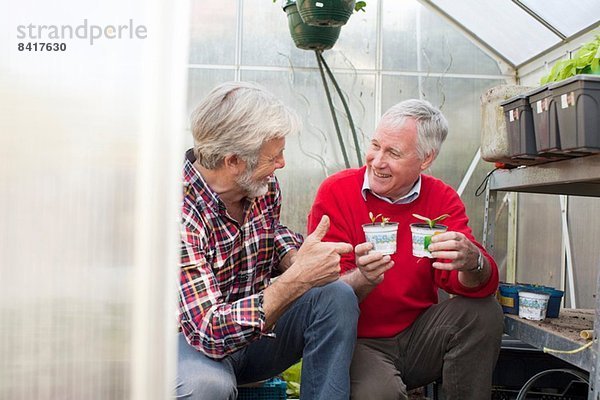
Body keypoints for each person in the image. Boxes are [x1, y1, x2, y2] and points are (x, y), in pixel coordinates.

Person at [307, 99, 504, 400]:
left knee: (483, 312)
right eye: (375, 145)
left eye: (393, 153)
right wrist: (363, 277)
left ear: (426, 159)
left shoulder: (441, 199)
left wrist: (472, 261)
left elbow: (471, 284)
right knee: (379, 393)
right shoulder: (337, 192)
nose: (376, 161)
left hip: (418, 336)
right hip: (358, 341)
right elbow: (322, 293)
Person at [176, 81, 359, 400]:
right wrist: (297, 278)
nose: (282, 164)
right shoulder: (178, 210)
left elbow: (268, 234)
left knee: (336, 296)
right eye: (273, 156)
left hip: (254, 337)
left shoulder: (262, 186)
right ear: (232, 160)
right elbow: (208, 331)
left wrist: (295, 256)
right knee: (205, 387)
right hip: (192, 345)